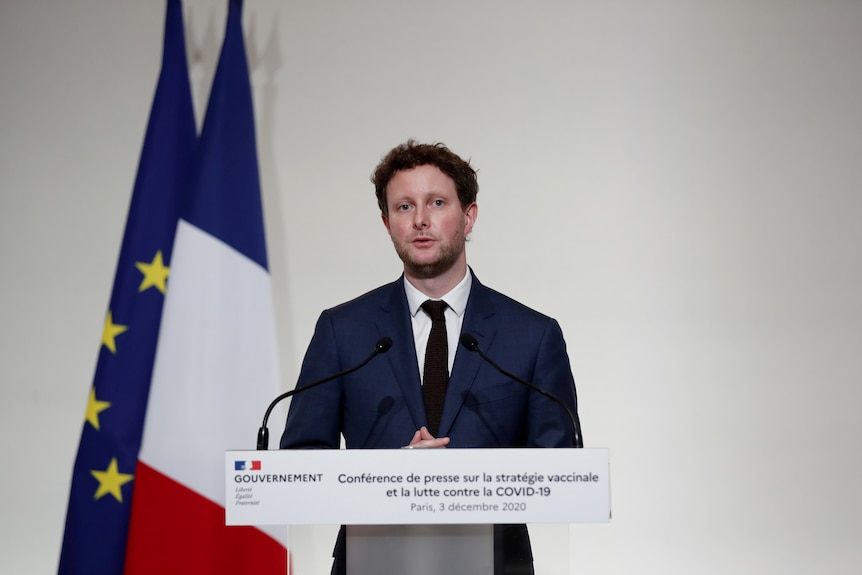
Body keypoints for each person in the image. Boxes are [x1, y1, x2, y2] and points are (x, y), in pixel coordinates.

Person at [280, 140, 579, 575]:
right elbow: (301, 463)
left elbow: (561, 471)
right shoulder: (343, 331)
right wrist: (392, 479)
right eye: (403, 207)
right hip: (373, 561)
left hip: (495, 563)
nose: (420, 220)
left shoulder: (531, 335)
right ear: (386, 223)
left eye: (436, 202)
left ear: (469, 215)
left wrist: (458, 481)